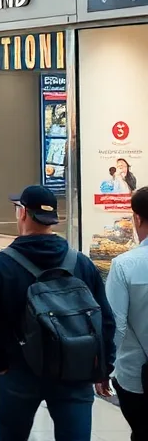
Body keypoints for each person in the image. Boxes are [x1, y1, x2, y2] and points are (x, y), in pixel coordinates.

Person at [0, 185, 115, 440]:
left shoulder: (0, 265)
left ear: (23, 213)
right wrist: (103, 367)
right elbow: (105, 319)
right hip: (75, 370)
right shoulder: (80, 262)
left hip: (19, 372)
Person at [107, 186, 148, 438]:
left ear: (137, 218)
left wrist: (103, 367)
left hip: (136, 377)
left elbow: (116, 325)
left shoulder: (124, 265)